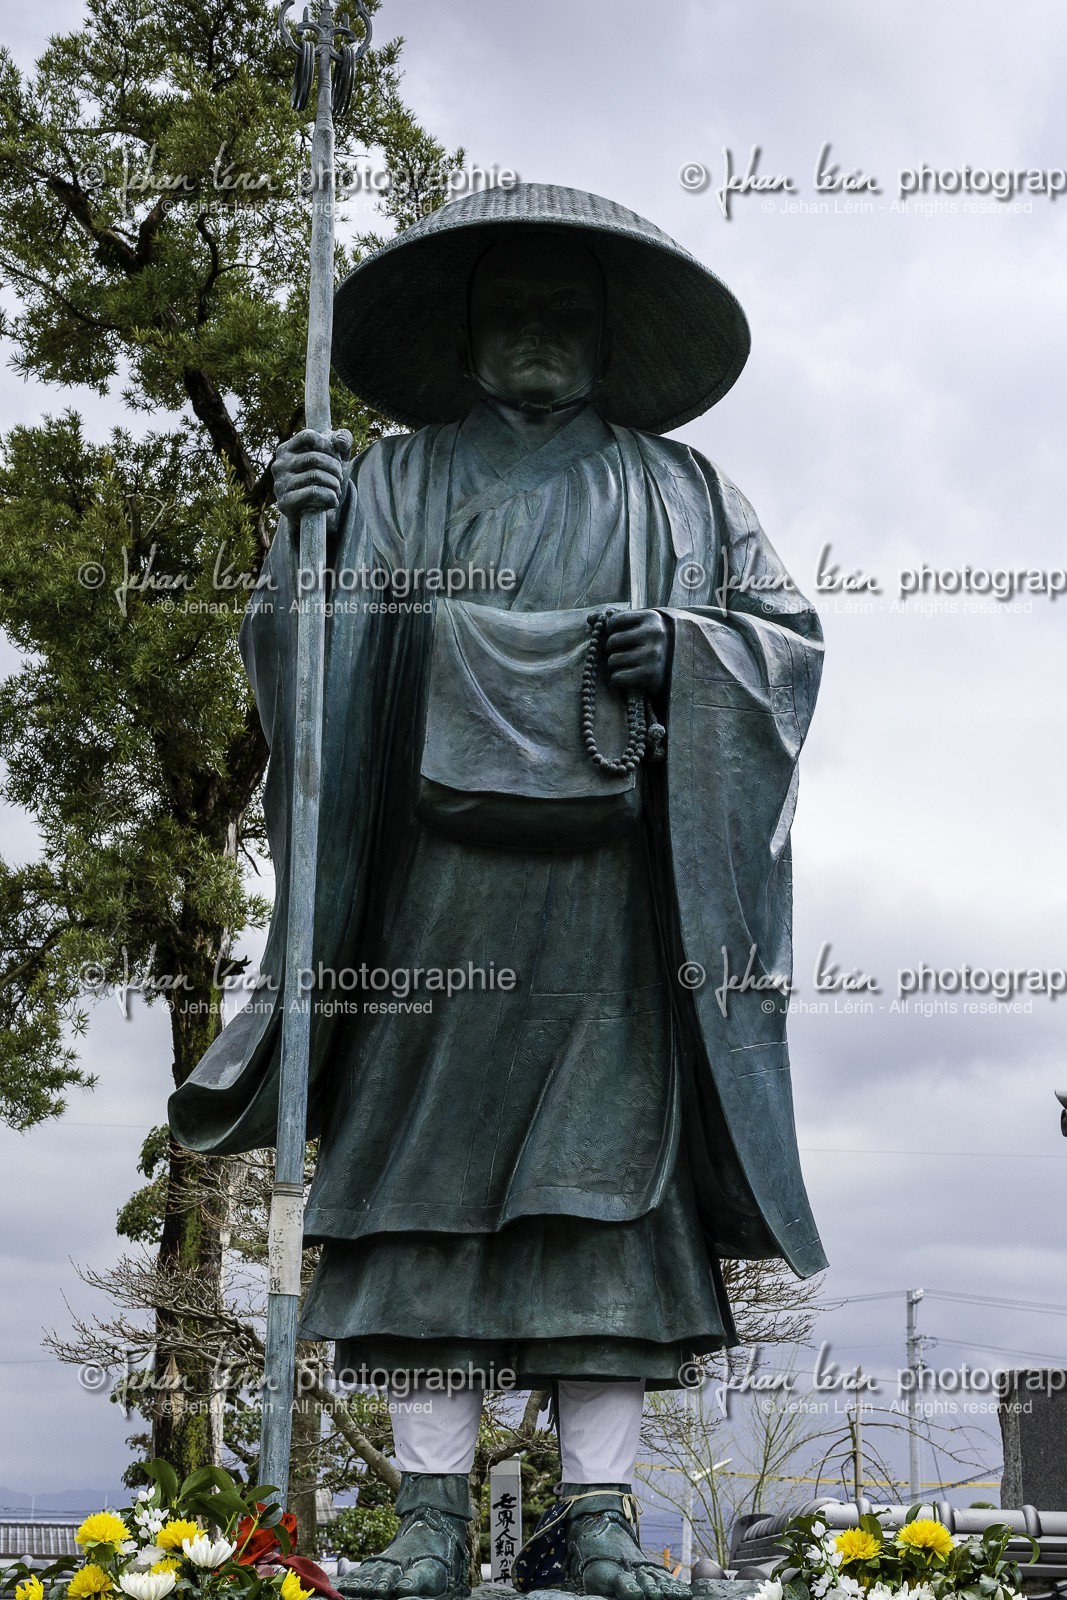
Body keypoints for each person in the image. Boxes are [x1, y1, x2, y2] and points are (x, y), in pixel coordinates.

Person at [169, 183, 826, 1600]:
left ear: (605, 337)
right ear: (468, 338)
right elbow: (311, 682)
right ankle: (422, 1515)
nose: (535, 336)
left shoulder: (687, 492)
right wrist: (303, 550)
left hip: (610, 920)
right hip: (431, 908)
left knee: (606, 1223)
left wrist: (691, 652)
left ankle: (599, 1517)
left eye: (562, 314)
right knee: (422, 1203)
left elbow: (785, 647)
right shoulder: (391, 483)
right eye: (509, 312)